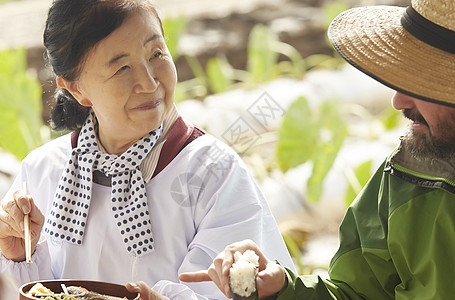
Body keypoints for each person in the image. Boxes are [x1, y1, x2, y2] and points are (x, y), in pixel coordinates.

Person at [0, 0, 294, 299]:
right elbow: (36, 292)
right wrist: (19, 259)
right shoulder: (42, 170)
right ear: (77, 89)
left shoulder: (213, 173)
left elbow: (242, 289)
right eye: (122, 67)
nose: (149, 81)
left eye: (156, 54)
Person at [180, 0, 455, 298]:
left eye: (425, 85)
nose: (399, 102)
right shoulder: (408, 176)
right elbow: (360, 291)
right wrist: (285, 289)